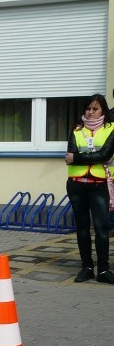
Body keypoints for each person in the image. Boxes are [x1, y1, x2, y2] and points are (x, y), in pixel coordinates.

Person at [64, 93, 114, 283]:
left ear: (103, 110)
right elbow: (71, 152)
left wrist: (77, 158)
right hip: (76, 185)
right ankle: (86, 267)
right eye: (88, 108)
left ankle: (103, 270)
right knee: (82, 228)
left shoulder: (111, 129)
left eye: (95, 109)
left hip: (99, 185)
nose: (91, 112)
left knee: (102, 227)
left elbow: (104, 154)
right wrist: (77, 157)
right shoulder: (76, 130)